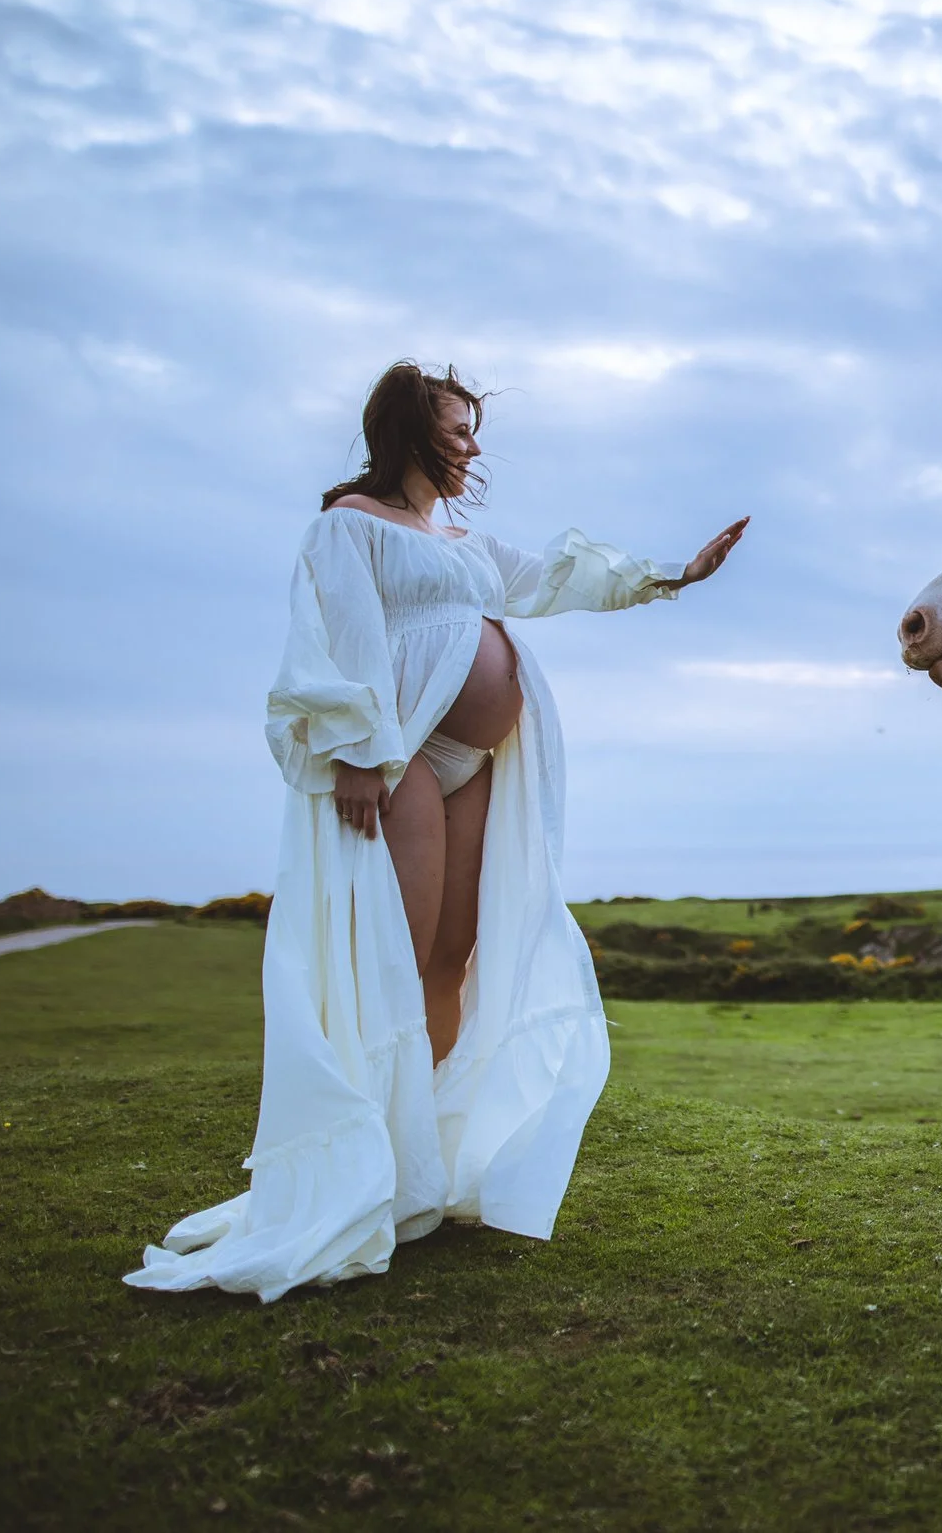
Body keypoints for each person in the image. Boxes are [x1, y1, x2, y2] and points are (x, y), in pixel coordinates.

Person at [127, 362, 744, 1302]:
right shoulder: (347, 526)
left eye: (472, 430)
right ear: (409, 431)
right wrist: (360, 752)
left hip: (475, 764)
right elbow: (334, 636)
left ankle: (427, 1165)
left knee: (453, 954)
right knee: (398, 954)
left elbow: (557, 579)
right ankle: (375, 1172)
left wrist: (673, 573)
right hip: (402, 752)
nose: (472, 446)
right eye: (458, 429)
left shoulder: (459, 541)